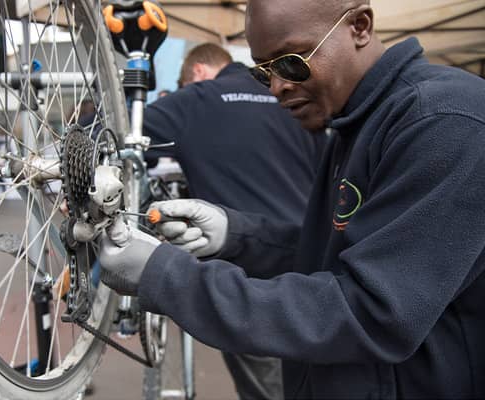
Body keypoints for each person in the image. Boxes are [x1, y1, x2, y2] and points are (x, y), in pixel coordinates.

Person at [99, 0, 485, 398]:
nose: (279, 86)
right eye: (263, 72)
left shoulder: (443, 121)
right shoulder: (355, 123)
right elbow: (335, 258)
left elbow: (371, 312)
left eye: (291, 61)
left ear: (360, 26)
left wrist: (167, 277)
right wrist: (236, 236)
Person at [143, 42, 323, 400]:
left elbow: (112, 133)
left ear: (197, 72)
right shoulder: (296, 98)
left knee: (269, 390)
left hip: (248, 279)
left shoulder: (196, 100)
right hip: (315, 266)